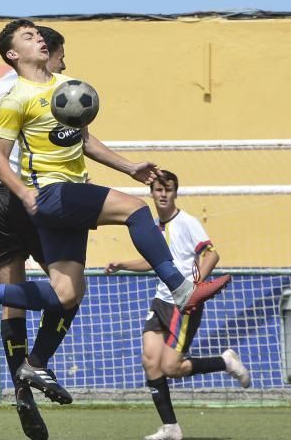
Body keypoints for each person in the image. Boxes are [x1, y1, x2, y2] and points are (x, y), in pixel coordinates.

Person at [0, 19, 230, 405]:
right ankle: (181, 288)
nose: (38, 38)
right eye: (28, 37)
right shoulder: (15, 97)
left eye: (39, 35)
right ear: (12, 54)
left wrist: (129, 167)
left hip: (66, 197)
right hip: (53, 194)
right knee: (137, 210)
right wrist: (24, 192)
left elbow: (84, 140)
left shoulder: (67, 87)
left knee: (66, 293)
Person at [0, 25, 66, 440]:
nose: (63, 64)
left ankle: (22, 393)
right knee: (68, 290)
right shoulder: (41, 90)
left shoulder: (1, 87)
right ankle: (36, 363)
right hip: (24, 194)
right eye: (62, 55)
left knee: (15, 303)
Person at [105, 170, 250, 440]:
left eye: (168, 190)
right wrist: (123, 264)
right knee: (150, 361)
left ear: (175, 193)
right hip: (161, 299)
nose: (162, 194)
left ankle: (225, 361)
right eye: (158, 190)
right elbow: (153, 261)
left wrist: (194, 287)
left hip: (181, 305)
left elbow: (211, 254)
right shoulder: (153, 226)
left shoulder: (187, 222)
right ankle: (170, 428)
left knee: (171, 368)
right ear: (151, 193)